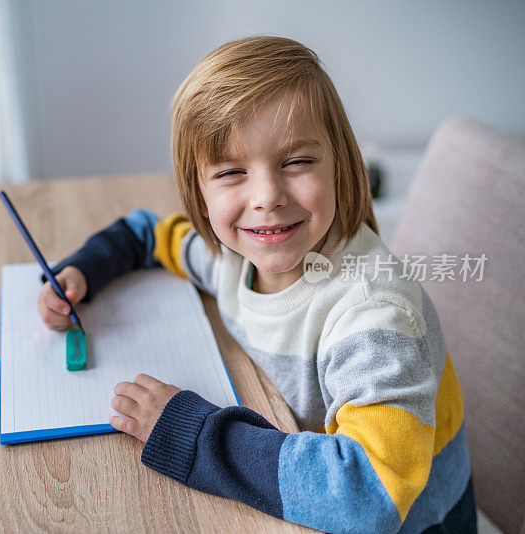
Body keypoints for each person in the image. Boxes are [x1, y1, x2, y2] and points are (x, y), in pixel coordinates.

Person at [36, 36, 475, 534]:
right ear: (199, 196)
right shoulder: (232, 255)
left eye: (297, 162)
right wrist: (84, 271)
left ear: (341, 166)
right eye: (231, 172)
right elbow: (149, 235)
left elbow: (365, 496)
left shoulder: (376, 318)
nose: (266, 196)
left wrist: (197, 434)